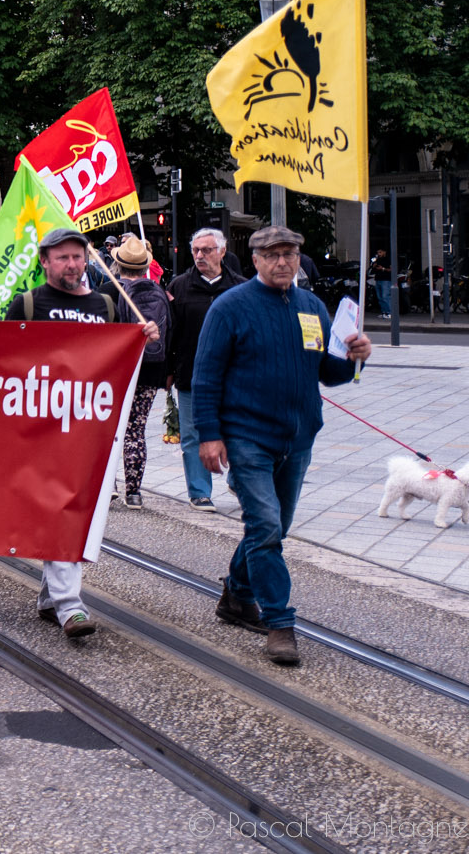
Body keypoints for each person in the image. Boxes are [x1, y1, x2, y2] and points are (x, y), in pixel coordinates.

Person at [194, 225, 371, 668]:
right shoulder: (229, 306)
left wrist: (355, 358)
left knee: (272, 528)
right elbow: (206, 376)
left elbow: (328, 372)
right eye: (272, 255)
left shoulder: (312, 306)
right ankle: (279, 622)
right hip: (247, 436)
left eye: (289, 254)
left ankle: (237, 595)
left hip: (299, 437)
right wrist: (209, 435)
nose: (281, 262)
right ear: (254, 259)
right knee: (267, 527)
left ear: (298, 259)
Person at [5, 228, 160, 639]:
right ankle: (70, 605)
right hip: (40, 429)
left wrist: (143, 339)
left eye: (78, 257)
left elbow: (121, 361)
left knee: (74, 510)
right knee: (63, 508)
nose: (72, 265)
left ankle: (51, 598)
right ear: (45, 262)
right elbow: (3, 362)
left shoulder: (105, 305)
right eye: (62, 258)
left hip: (88, 430)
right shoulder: (27, 304)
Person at [169, 228, 246, 509]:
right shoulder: (179, 286)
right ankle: (199, 491)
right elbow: (171, 333)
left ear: (222, 252)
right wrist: (169, 370)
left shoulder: (240, 287)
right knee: (193, 435)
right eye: (196, 250)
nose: (200, 255)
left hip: (233, 376)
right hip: (191, 375)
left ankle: (238, 480)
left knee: (238, 431)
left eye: (207, 250)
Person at [109, 236, 171, 509]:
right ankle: (134, 492)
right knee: (136, 429)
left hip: (117, 370)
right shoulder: (159, 291)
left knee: (110, 430)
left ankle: (109, 485)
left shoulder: (110, 291)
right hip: (151, 369)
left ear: (118, 263)